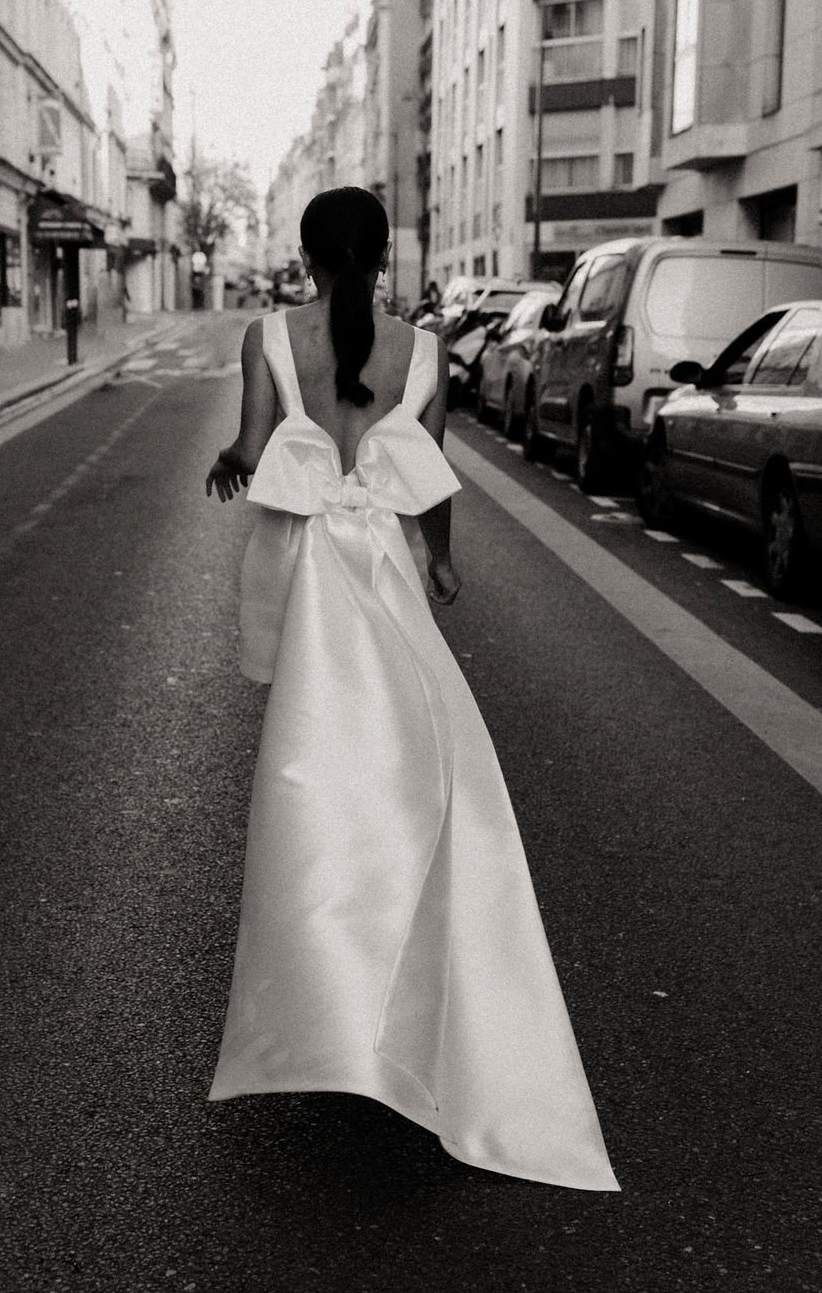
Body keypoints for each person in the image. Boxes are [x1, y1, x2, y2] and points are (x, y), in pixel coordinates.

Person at [204, 186, 618, 1191]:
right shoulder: (423, 353)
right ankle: (409, 980)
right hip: (381, 574)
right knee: (415, 772)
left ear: (304, 259)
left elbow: (258, 451)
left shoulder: (269, 335)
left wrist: (230, 459)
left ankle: (319, 1000)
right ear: (383, 257)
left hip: (306, 578)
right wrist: (437, 563)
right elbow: (424, 479)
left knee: (310, 776)